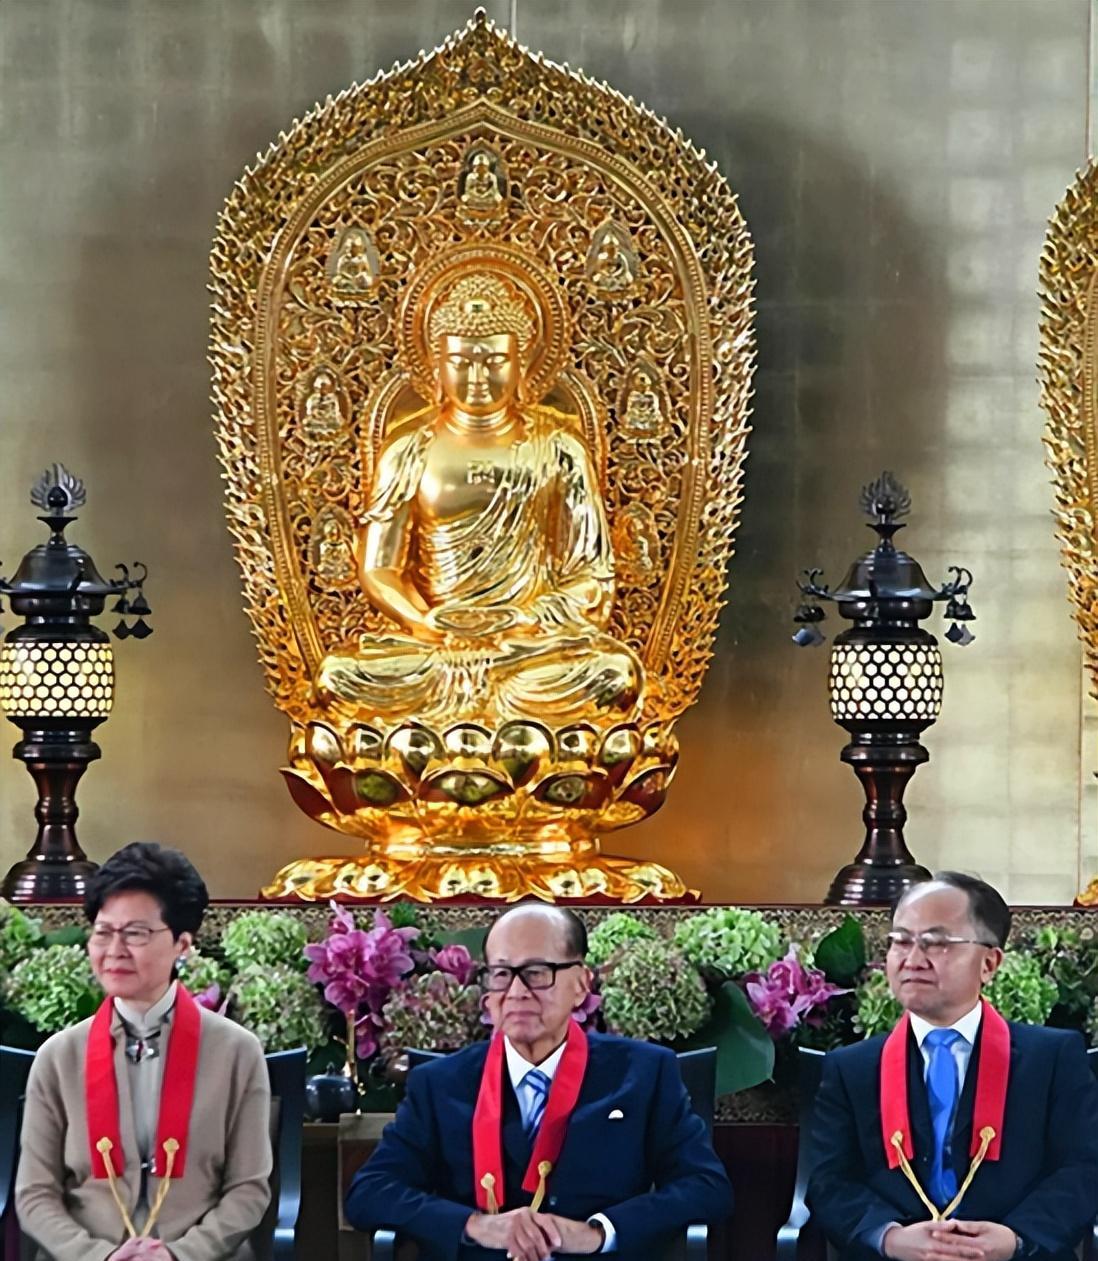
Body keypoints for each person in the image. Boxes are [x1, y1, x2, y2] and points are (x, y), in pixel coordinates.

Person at [345, 904, 732, 1261]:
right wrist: (476, 1226)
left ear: (581, 983)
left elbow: (705, 1187)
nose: (516, 993)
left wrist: (597, 1232)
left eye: (535, 973)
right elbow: (371, 1192)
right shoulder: (440, 1083)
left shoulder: (644, 1073)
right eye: (500, 974)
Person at [807, 872, 1098, 1261]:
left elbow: (1084, 1169)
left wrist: (1015, 1238)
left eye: (937, 943)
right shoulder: (851, 1068)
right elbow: (829, 1182)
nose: (912, 959)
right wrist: (890, 1238)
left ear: (989, 964)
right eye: (901, 941)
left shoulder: (1052, 1057)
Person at [16, 843, 273, 1261]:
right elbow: (34, 1194)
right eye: (103, 932)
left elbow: (248, 1189)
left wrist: (180, 1254)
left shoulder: (236, 1052)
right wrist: (95, 1255)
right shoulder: (59, 1057)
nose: (114, 949)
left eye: (135, 933)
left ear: (183, 945)